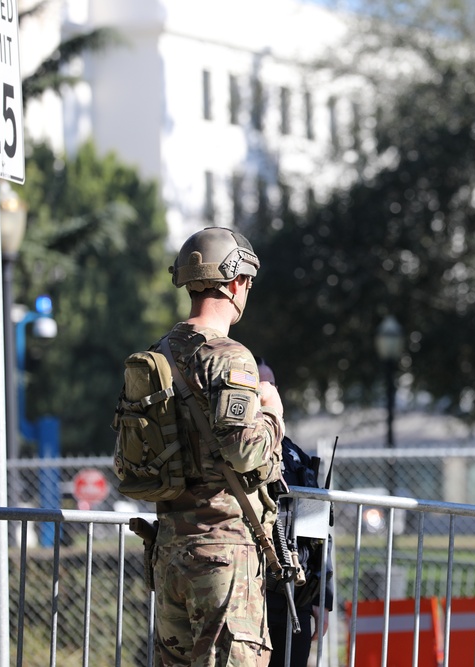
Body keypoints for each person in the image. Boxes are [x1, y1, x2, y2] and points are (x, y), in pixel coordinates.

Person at [154, 226, 286, 666]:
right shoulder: (229, 356)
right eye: (247, 282)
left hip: (170, 551)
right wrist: (272, 413)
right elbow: (245, 451)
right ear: (234, 282)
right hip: (222, 555)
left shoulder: (159, 355)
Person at [257, 359, 334, 667]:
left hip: (293, 595)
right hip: (248, 592)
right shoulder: (223, 453)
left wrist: (321, 599)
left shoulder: (295, 456)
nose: (267, 392)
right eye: (259, 385)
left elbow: (316, 532)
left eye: (271, 385)